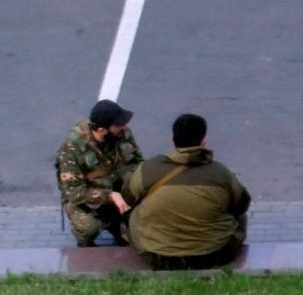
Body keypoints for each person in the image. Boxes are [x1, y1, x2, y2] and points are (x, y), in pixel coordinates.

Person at [122, 114, 251, 270]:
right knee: (240, 217)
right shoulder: (221, 173)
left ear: (172, 139)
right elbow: (242, 205)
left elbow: (129, 198)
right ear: (203, 141)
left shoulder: (147, 169)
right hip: (213, 255)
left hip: (157, 257)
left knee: (134, 214)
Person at [55, 99, 143, 246]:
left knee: (136, 230)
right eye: (118, 125)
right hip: (86, 196)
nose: (124, 127)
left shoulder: (122, 133)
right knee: (89, 228)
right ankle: (90, 233)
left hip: (116, 186)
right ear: (102, 130)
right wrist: (110, 196)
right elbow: (75, 193)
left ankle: (115, 224)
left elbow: (137, 163)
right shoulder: (73, 147)